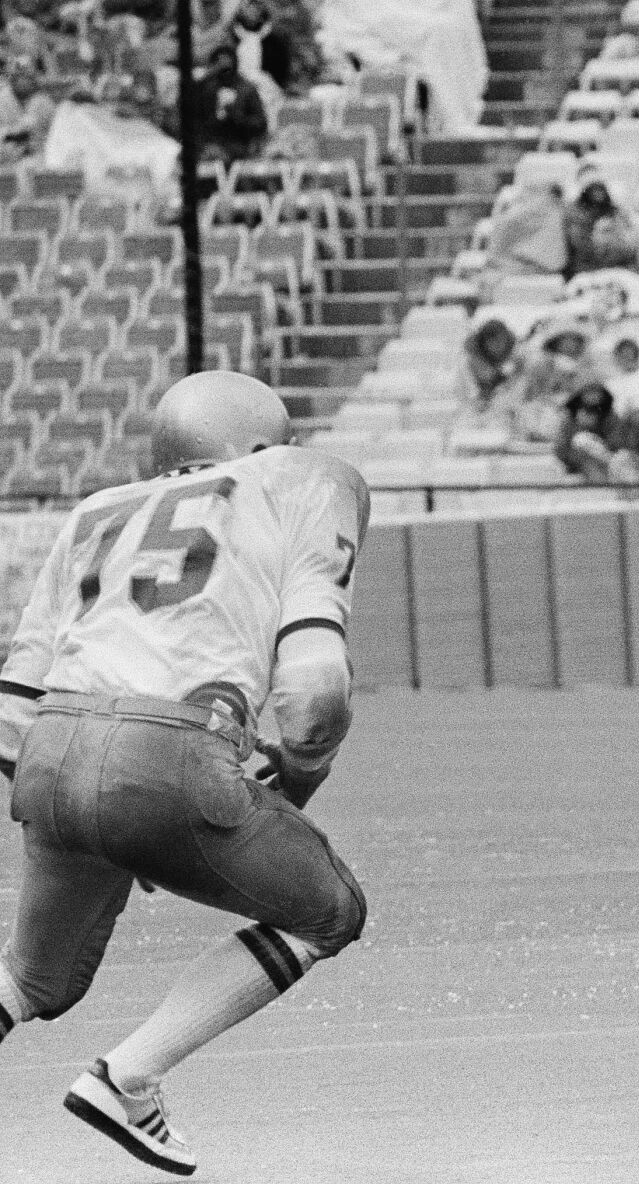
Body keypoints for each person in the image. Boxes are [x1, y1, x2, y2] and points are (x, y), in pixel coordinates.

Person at [0, 371, 367, 1176]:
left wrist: (89, 808)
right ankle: (126, 1079)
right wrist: (293, 777)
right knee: (329, 913)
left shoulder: (96, 509)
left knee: (33, 982)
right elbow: (315, 694)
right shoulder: (305, 479)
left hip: (50, 751)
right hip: (170, 751)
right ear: (265, 447)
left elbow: (14, 707)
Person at [194, 43, 268, 163]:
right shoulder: (205, 88)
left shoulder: (246, 89)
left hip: (237, 143)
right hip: (208, 142)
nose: (224, 69)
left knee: (218, 155)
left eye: (228, 65)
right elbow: (192, 115)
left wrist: (238, 118)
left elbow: (260, 123)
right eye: (220, 65)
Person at [553, 382, 639, 482]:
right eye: (589, 392)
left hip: (610, 463)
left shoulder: (610, 417)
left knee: (624, 460)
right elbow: (561, 450)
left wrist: (597, 433)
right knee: (581, 440)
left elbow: (618, 444)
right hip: (580, 465)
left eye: (596, 392)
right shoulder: (570, 419)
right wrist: (582, 427)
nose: (593, 397)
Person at [563, 179, 639, 278]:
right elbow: (578, 246)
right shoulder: (575, 216)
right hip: (585, 271)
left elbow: (629, 246)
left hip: (618, 270)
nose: (597, 193)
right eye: (593, 189)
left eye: (600, 189)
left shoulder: (617, 214)